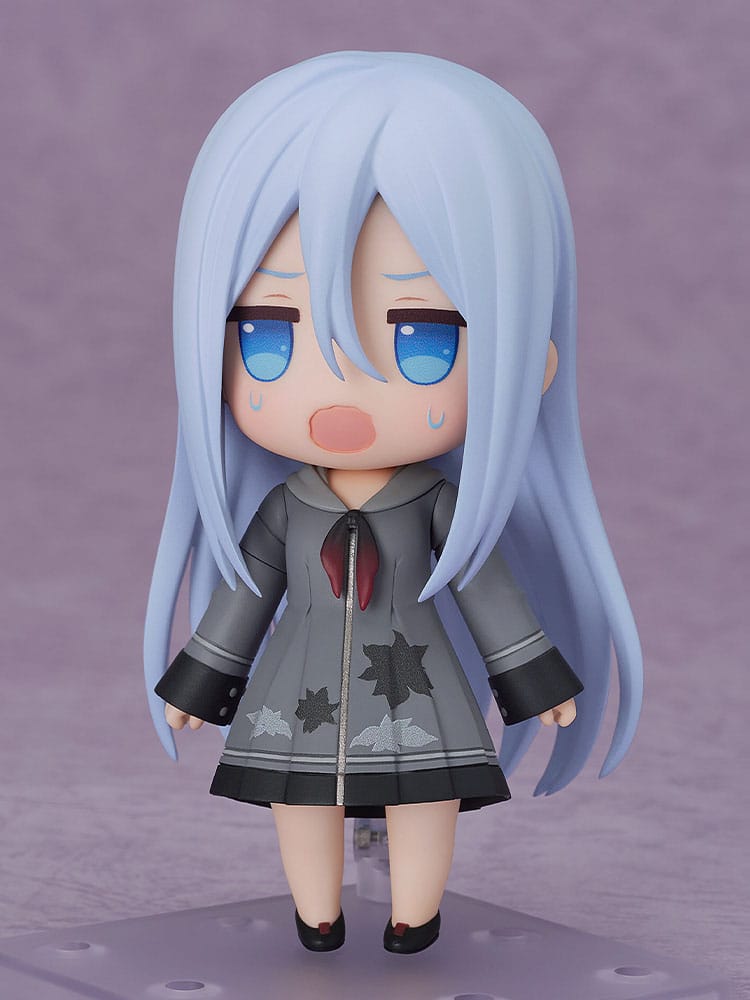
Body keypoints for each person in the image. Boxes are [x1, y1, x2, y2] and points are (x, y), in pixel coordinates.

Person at [144, 51, 642, 955]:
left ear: (529, 360)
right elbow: (245, 598)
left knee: (427, 797)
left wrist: (534, 682)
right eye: (268, 335)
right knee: (297, 802)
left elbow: (487, 592)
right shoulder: (286, 509)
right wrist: (199, 680)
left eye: (421, 340)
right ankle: (317, 911)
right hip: (297, 693)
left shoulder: (437, 504)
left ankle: (416, 909)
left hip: (418, 688)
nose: (338, 389)